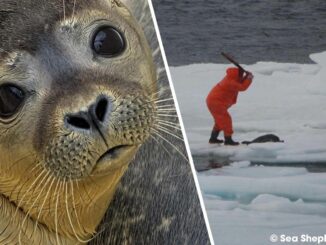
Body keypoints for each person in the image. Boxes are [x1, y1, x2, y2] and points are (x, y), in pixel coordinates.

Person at [206, 67, 253, 145]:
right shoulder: (230, 82)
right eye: (240, 74)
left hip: (215, 101)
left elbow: (239, 82)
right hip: (216, 102)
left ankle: (213, 138)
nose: (241, 75)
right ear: (236, 75)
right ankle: (228, 140)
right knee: (226, 120)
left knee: (220, 120)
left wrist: (246, 77)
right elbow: (242, 87)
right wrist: (249, 78)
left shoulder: (231, 79)